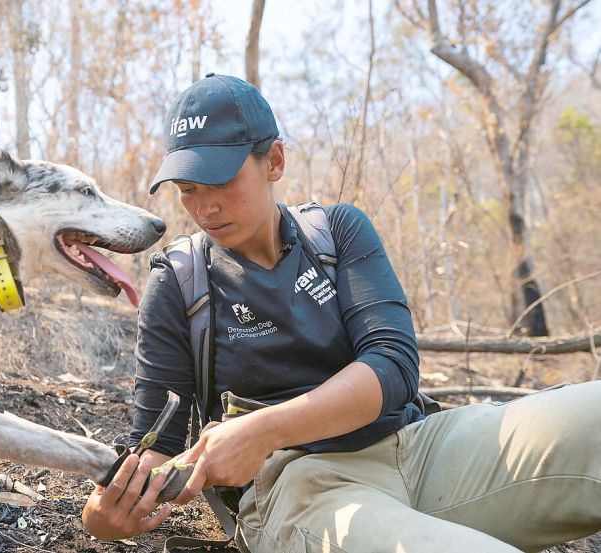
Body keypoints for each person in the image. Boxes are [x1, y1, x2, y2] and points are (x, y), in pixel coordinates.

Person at [82, 74, 601, 552]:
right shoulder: (179, 281)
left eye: (219, 181)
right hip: (301, 489)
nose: (204, 207)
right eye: (188, 189)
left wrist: (264, 429)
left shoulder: (337, 233)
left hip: (417, 448)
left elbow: (393, 365)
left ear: (275, 162)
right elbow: (155, 442)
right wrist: (106, 514)